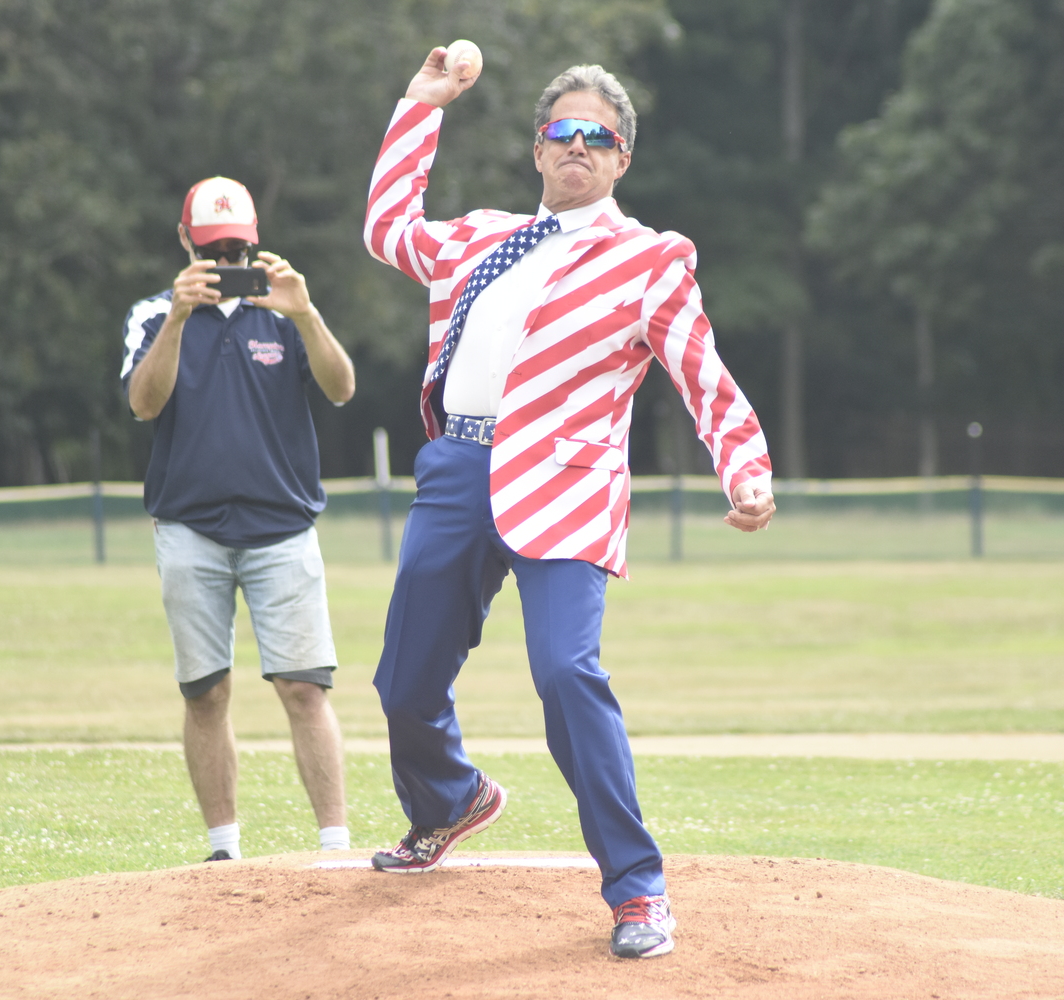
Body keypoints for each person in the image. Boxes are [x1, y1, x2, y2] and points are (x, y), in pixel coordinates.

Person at [361, 51, 776, 959]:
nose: (579, 145)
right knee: (403, 683)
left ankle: (638, 891)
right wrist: (422, 105)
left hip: (567, 485)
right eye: (563, 131)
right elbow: (389, 229)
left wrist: (744, 467)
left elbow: (702, 374)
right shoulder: (479, 237)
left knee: (564, 674)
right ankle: (449, 800)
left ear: (623, 158)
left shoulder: (650, 259)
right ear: (538, 149)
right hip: (459, 468)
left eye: (600, 135)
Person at [122, 176, 357, 862]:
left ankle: (335, 845)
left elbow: (342, 389)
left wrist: (308, 316)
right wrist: (176, 319)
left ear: (255, 243)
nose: (226, 262)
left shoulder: (286, 311)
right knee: (206, 692)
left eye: (237, 248)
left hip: (282, 528)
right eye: (213, 247)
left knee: (304, 687)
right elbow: (144, 404)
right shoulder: (152, 314)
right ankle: (224, 849)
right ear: (186, 241)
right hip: (190, 528)